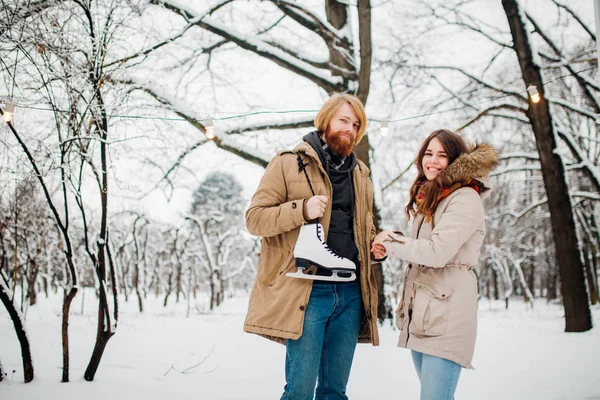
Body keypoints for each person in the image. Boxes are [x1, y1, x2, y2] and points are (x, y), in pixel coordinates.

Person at [244, 93, 380, 400]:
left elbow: (361, 231)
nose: (350, 128)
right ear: (326, 119)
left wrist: (375, 245)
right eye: (344, 120)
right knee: (300, 392)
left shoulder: (361, 175)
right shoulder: (288, 163)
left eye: (356, 124)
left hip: (349, 291)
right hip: (308, 289)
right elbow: (254, 220)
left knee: (335, 392)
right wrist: (302, 209)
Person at [371, 129, 498, 400]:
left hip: (447, 315)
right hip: (425, 317)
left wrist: (393, 243)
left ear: (456, 161)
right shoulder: (434, 198)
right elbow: (425, 248)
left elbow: (437, 252)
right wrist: (391, 245)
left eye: (442, 155)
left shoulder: (464, 198)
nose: (433, 161)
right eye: (428, 153)